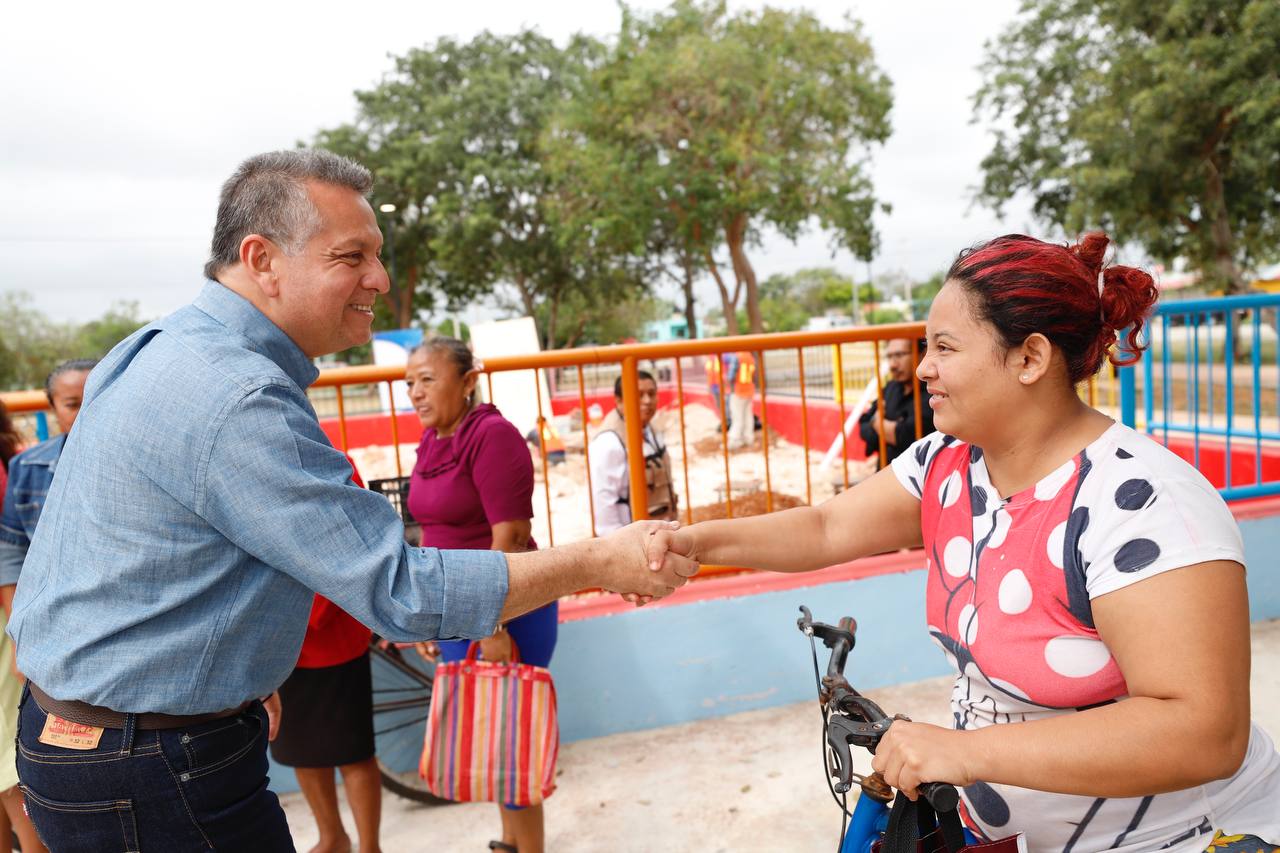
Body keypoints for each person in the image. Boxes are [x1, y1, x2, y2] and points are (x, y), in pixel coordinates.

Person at [7, 149, 696, 851]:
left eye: (378, 253)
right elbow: (398, 586)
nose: (381, 277)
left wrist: (224, 672)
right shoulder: (241, 393)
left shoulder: (153, 348)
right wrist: (599, 560)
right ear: (262, 259)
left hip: (82, 732)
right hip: (151, 761)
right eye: (351, 256)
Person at [647, 233, 1280, 852]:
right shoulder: (948, 464)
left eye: (944, 347)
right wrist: (690, 545)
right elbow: (826, 527)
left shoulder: (1141, 504)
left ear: (1029, 358)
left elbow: (1202, 730)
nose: (923, 368)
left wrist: (964, 751)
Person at [403, 336, 555, 853]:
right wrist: (431, 615)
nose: (415, 393)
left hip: (504, 612)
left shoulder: (492, 436)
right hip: (457, 611)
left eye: (428, 379)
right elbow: (429, 529)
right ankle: (511, 841)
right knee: (489, 728)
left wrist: (492, 626)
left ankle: (526, 846)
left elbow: (509, 538)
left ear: (468, 381)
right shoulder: (432, 439)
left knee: (511, 737)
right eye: (409, 383)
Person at [0, 361, 94, 853]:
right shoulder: (30, 467)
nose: (85, 411)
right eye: (72, 403)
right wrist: (22, 632)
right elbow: (11, 548)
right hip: (53, 631)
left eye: (95, 397)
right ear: (53, 409)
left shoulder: (142, 459)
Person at [271, 455, 380, 853]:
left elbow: (355, 542)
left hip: (331, 629)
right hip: (280, 634)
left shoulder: (332, 461)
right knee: (301, 749)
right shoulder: (254, 459)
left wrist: (309, 610)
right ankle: (332, 836)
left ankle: (370, 846)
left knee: (353, 751)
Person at [589, 370, 679, 534]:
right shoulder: (609, 441)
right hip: (632, 542)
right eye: (638, 395)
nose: (647, 401)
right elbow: (604, 504)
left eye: (652, 394)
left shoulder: (651, 429)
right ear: (619, 401)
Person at [857, 337, 934, 469]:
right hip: (883, 475)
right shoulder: (892, 387)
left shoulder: (933, 392)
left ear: (922, 354)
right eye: (890, 357)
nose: (892, 365)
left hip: (917, 481)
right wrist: (888, 430)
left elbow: (908, 436)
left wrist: (877, 422)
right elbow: (863, 425)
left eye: (899, 355)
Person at [726, 350, 756, 450]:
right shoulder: (750, 357)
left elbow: (731, 376)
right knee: (748, 416)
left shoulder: (737, 357)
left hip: (738, 391)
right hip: (749, 390)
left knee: (737, 417)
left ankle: (734, 440)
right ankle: (748, 438)